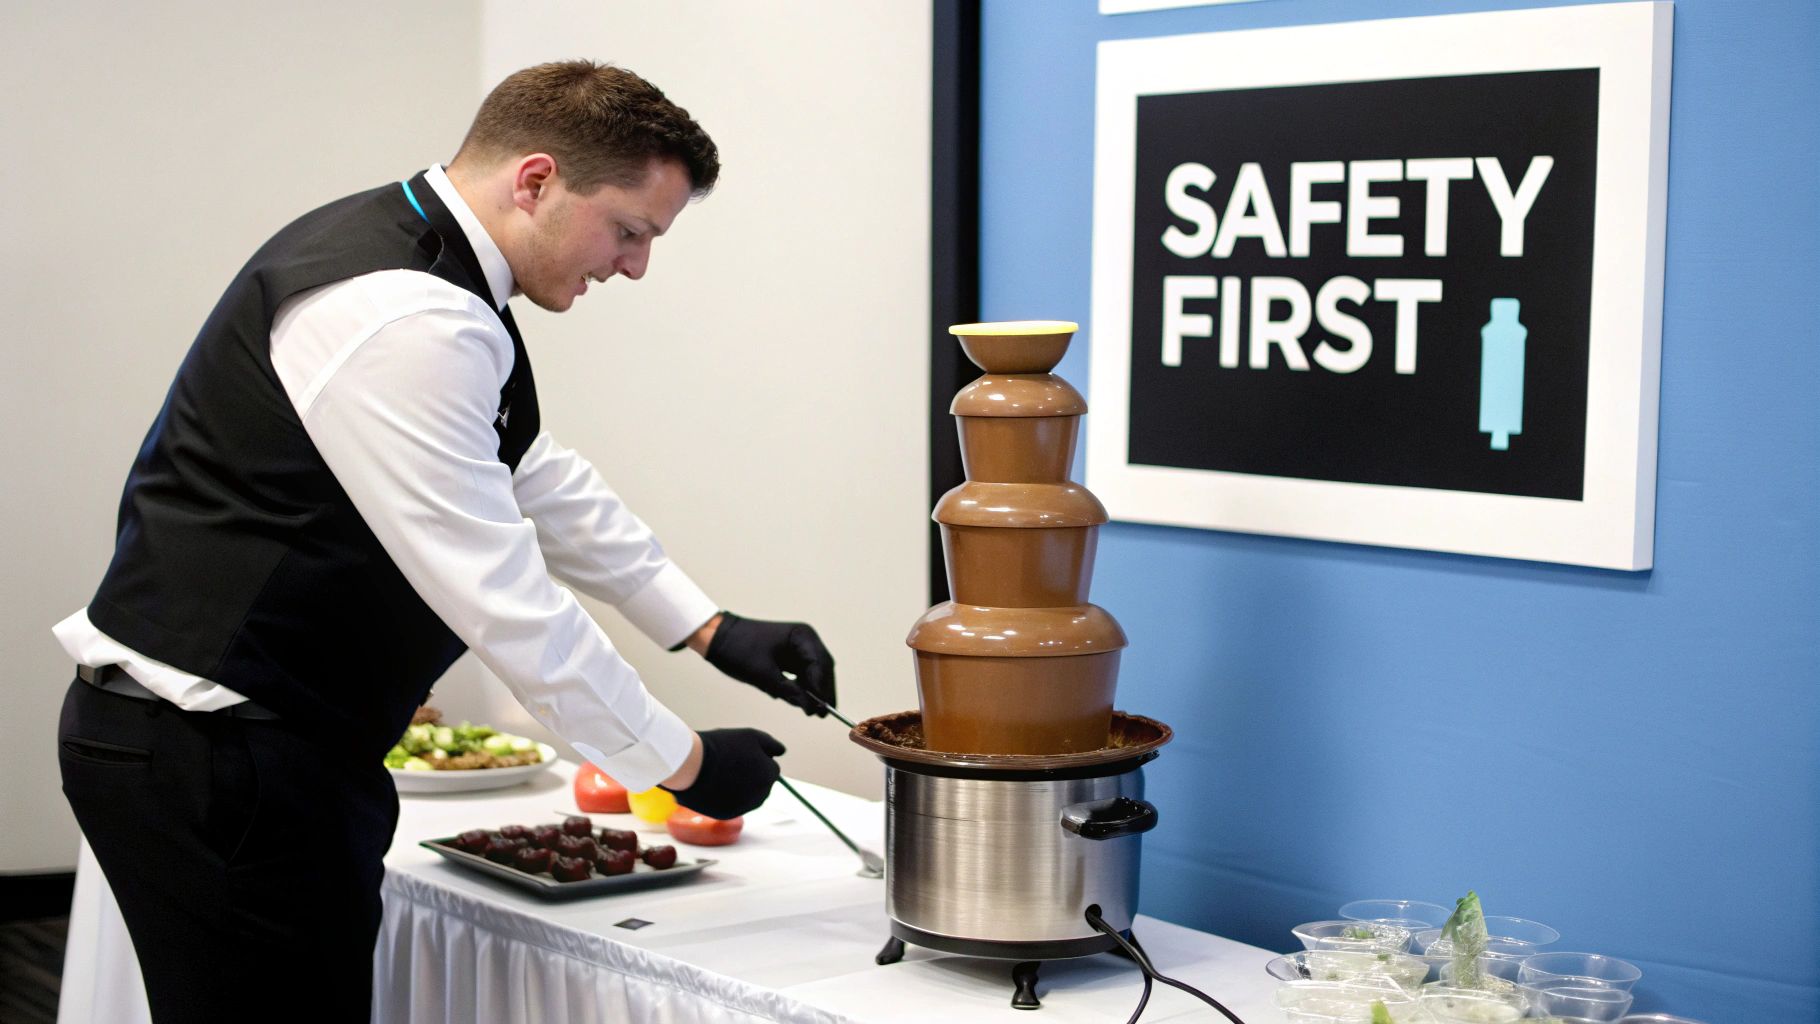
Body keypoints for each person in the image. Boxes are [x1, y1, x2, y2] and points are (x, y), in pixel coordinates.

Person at [52, 60, 835, 1021]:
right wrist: (681, 764)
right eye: (629, 231)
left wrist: (709, 626)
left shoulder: (430, 265)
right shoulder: (405, 312)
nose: (634, 265)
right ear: (537, 180)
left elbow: (534, 473)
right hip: (218, 756)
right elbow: (505, 600)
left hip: (238, 748)